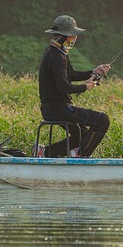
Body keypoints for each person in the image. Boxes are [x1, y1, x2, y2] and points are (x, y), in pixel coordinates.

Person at [36, 15, 111, 157]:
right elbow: (63, 87)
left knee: (83, 136)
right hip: (58, 108)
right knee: (103, 120)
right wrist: (85, 87)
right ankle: (81, 156)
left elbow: (71, 75)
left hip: (53, 108)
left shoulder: (58, 53)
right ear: (64, 36)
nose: (75, 38)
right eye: (72, 35)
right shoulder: (56, 56)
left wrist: (94, 72)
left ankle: (45, 153)